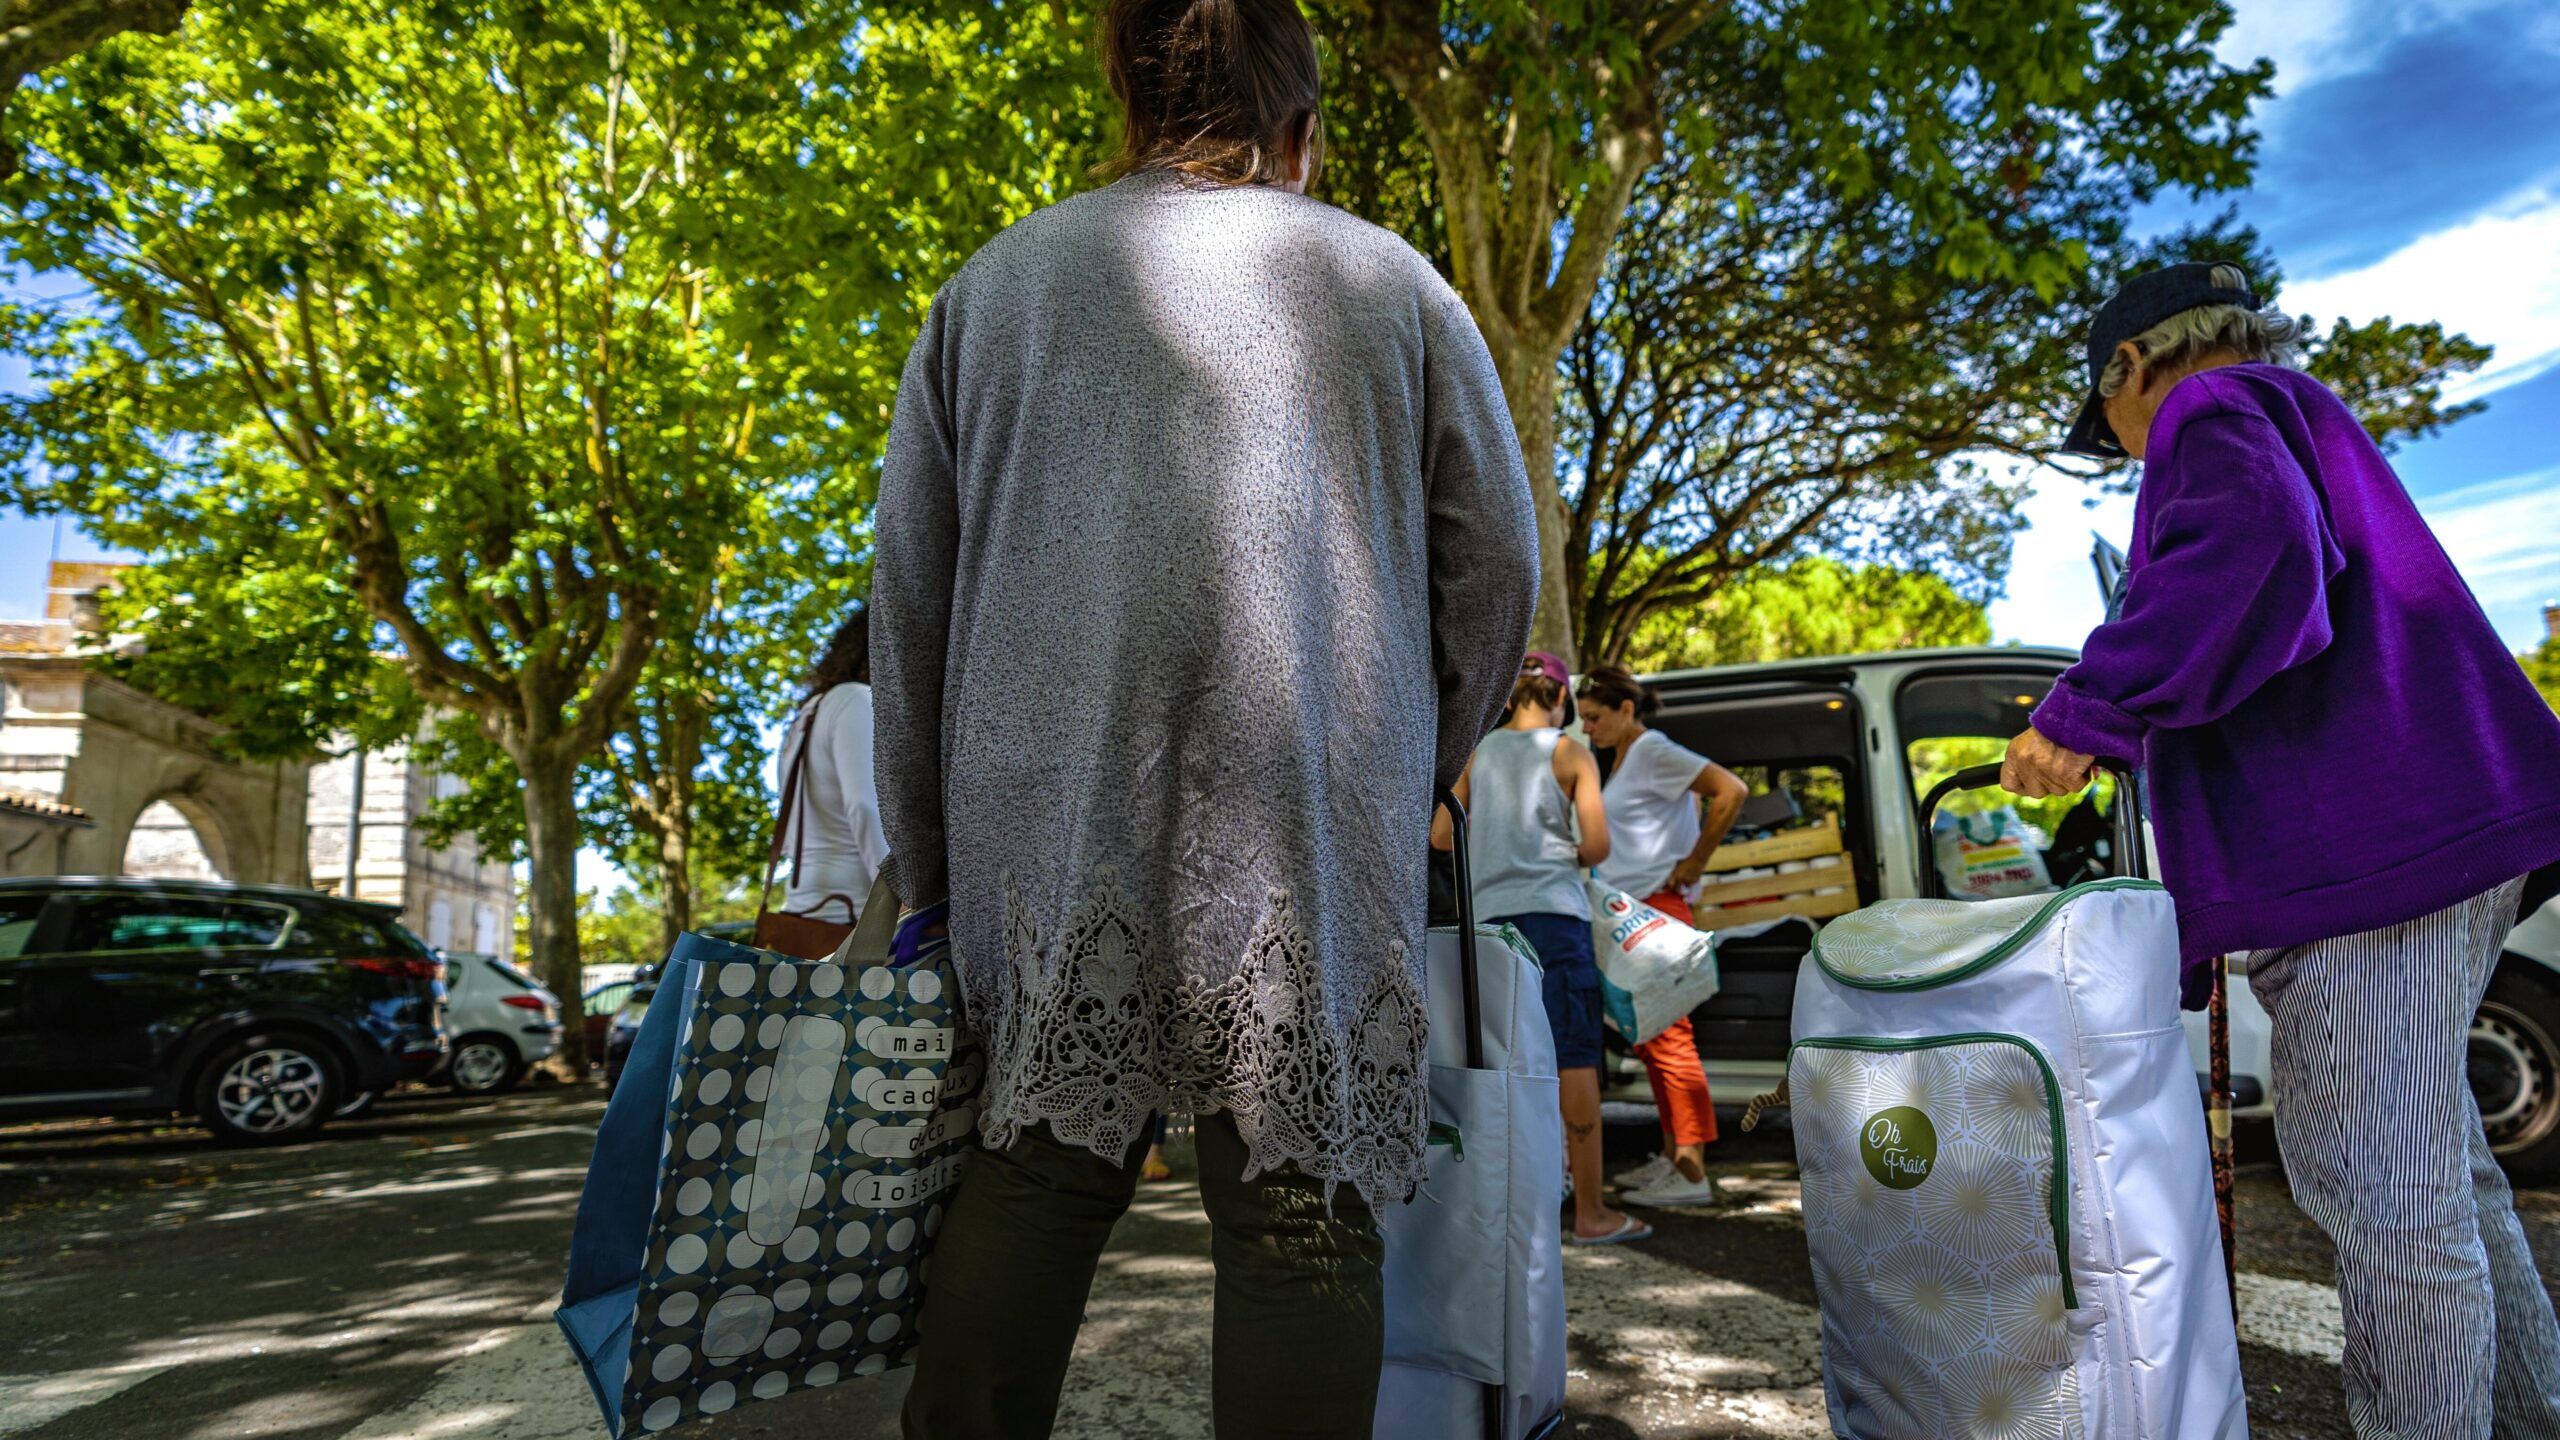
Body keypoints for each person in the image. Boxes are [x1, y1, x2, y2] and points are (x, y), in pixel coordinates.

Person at [868, 1, 1540, 1434]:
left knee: (1035, 1174)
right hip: (1308, 801)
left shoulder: (993, 290)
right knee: (1300, 1210)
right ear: (1301, 132)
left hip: (1042, 810)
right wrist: (1424, 756)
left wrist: (931, 881)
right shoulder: (1393, 282)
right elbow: (1499, 567)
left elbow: (908, 608)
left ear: (1125, 103)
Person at [2005, 260, 2560, 1439]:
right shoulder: (2295, 415)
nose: (2122, 445)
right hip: (2429, 828)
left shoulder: (2212, 408)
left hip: (2364, 842)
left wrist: (2087, 707)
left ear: (2128, 366)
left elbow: (2252, 557)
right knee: (2439, 1184)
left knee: (2387, 1199)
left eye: (2109, 419)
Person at [1438, 652, 1650, 1245]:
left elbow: (1438, 833)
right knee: (1574, 1055)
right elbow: (1599, 845)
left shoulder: (1479, 753)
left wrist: (1493, 850)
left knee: (1501, 1057)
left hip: (1488, 926)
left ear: (1508, 698)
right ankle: (1590, 1213)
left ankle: (1503, 1208)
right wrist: (1563, 854)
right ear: (1562, 700)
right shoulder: (1570, 753)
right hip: (1555, 918)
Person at [1574, 664, 1748, 1210]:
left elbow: (1731, 790)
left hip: (1656, 910)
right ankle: (1676, 1157)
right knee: (1653, 1038)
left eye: (1595, 717)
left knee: (1669, 1040)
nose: (1588, 729)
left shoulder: (1652, 749)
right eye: (1582, 719)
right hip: (1633, 912)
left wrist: (1695, 861)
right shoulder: (1625, 758)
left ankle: (1691, 1169)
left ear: (1627, 710)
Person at [765, 611, 887, 938]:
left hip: (804, 909)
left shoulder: (808, 714)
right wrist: (902, 899)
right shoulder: (855, 700)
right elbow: (864, 807)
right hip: (853, 916)